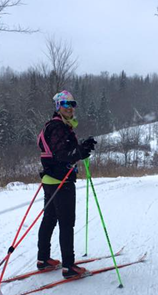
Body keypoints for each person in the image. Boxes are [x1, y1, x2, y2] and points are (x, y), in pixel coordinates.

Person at [36, 90, 97, 279]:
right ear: (58, 107)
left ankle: (43, 259)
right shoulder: (58, 127)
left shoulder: (58, 126)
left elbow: (61, 152)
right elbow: (63, 155)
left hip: (51, 179)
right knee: (66, 222)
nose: (70, 108)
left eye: (72, 104)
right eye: (65, 104)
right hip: (61, 181)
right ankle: (69, 267)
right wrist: (82, 150)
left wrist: (81, 149)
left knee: (50, 219)